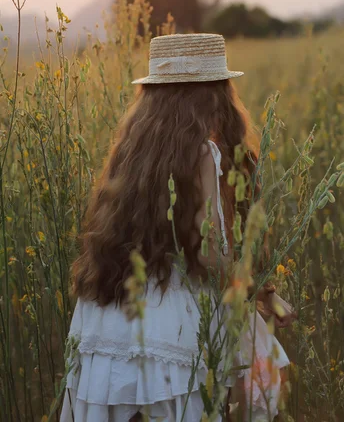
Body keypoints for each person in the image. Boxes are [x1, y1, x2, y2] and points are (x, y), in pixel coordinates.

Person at [60, 33, 294, 422]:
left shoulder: (130, 153)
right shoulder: (204, 152)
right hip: (172, 322)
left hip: (111, 315)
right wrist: (262, 293)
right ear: (214, 95)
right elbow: (208, 251)